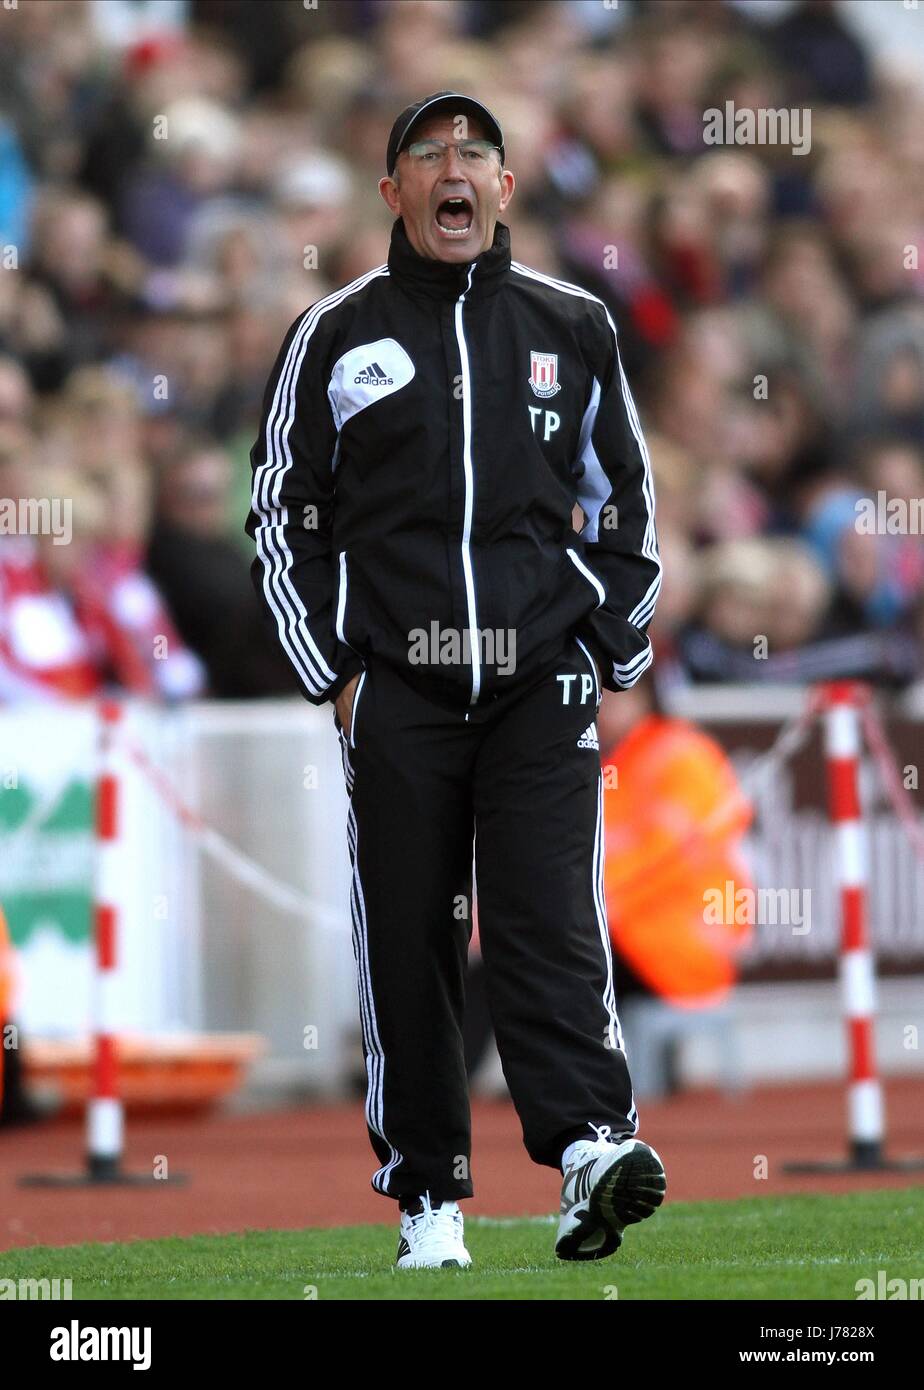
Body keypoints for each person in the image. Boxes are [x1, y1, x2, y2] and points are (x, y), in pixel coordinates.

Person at [246, 91, 665, 1269]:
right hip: (400, 689)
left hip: (541, 678)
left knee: (547, 916)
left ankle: (589, 1144)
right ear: (393, 196)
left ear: (506, 188)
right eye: (427, 153)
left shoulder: (575, 325)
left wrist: (607, 644)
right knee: (411, 942)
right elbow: (283, 511)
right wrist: (334, 670)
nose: (452, 168)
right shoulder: (332, 332)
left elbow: (629, 498)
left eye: (474, 150)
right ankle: (429, 1198)